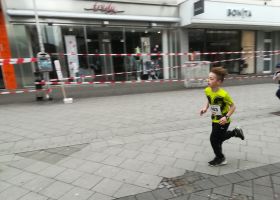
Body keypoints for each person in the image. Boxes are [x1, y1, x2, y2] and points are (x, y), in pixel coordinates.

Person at [200, 67, 245, 166]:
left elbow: (233, 106)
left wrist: (226, 117)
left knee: (213, 139)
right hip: (214, 119)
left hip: (223, 120)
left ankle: (220, 158)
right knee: (218, 139)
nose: (208, 80)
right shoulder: (207, 90)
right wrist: (205, 108)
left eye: (211, 79)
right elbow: (209, 99)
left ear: (219, 82)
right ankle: (235, 132)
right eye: (208, 78)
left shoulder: (224, 94)